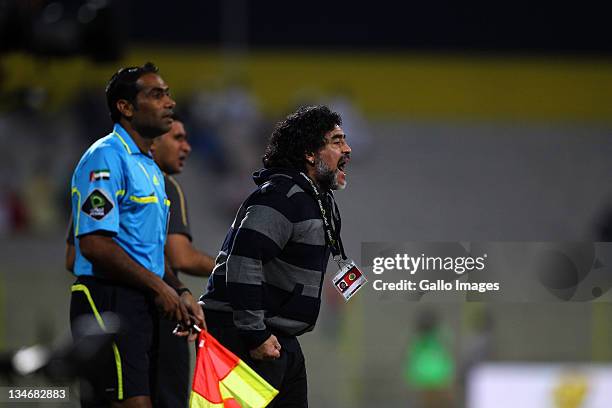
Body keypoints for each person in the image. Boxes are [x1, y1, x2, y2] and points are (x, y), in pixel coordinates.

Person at [68, 62, 204, 408]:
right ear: (125, 107)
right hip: (107, 299)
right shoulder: (105, 157)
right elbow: (93, 245)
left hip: (139, 298)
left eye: (168, 94)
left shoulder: (149, 168)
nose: (169, 102)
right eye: (156, 94)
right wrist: (161, 287)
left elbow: (150, 253)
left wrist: (179, 289)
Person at [201, 105, 352, 407]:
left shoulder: (314, 199)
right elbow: (243, 259)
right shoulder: (282, 196)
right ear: (310, 153)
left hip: (278, 337)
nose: (347, 149)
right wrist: (255, 333)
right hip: (244, 338)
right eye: (336, 142)